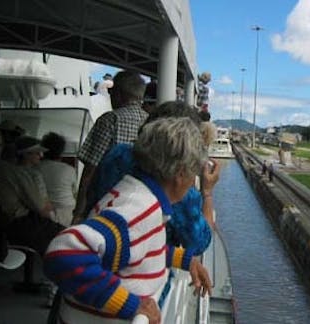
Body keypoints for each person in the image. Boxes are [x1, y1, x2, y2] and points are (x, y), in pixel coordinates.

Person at [44, 117, 212, 324]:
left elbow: (136, 249)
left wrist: (185, 260)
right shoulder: (139, 208)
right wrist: (131, 305)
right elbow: (63, 254)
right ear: (180, 174)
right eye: (193, 174)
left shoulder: (137, 193)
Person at [85, 101, 218, 254]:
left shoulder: (118, 153)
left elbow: (92, 194)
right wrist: (207, 192)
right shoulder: (177, 189)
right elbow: (199, 242)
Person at [74, 70, 148, 223]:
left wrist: (80, 211)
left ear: (119, 94)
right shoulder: (150, 121)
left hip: (105, 202)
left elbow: (91, 168)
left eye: (111, 92)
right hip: (139, 204)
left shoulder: (110, 120)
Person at [0, 134, 63, 256]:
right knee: (63, 236)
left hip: (0, 223)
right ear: (26, 154)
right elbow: (40, 207)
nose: (41, 156)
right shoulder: (19, 173)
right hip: (13, 223)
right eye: (37, 152)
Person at [37, 132, 77, 227]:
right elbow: (74, 192)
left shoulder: (35, 168)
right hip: (67, 213)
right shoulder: (69, 169)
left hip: (43, 212)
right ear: (61, 151)